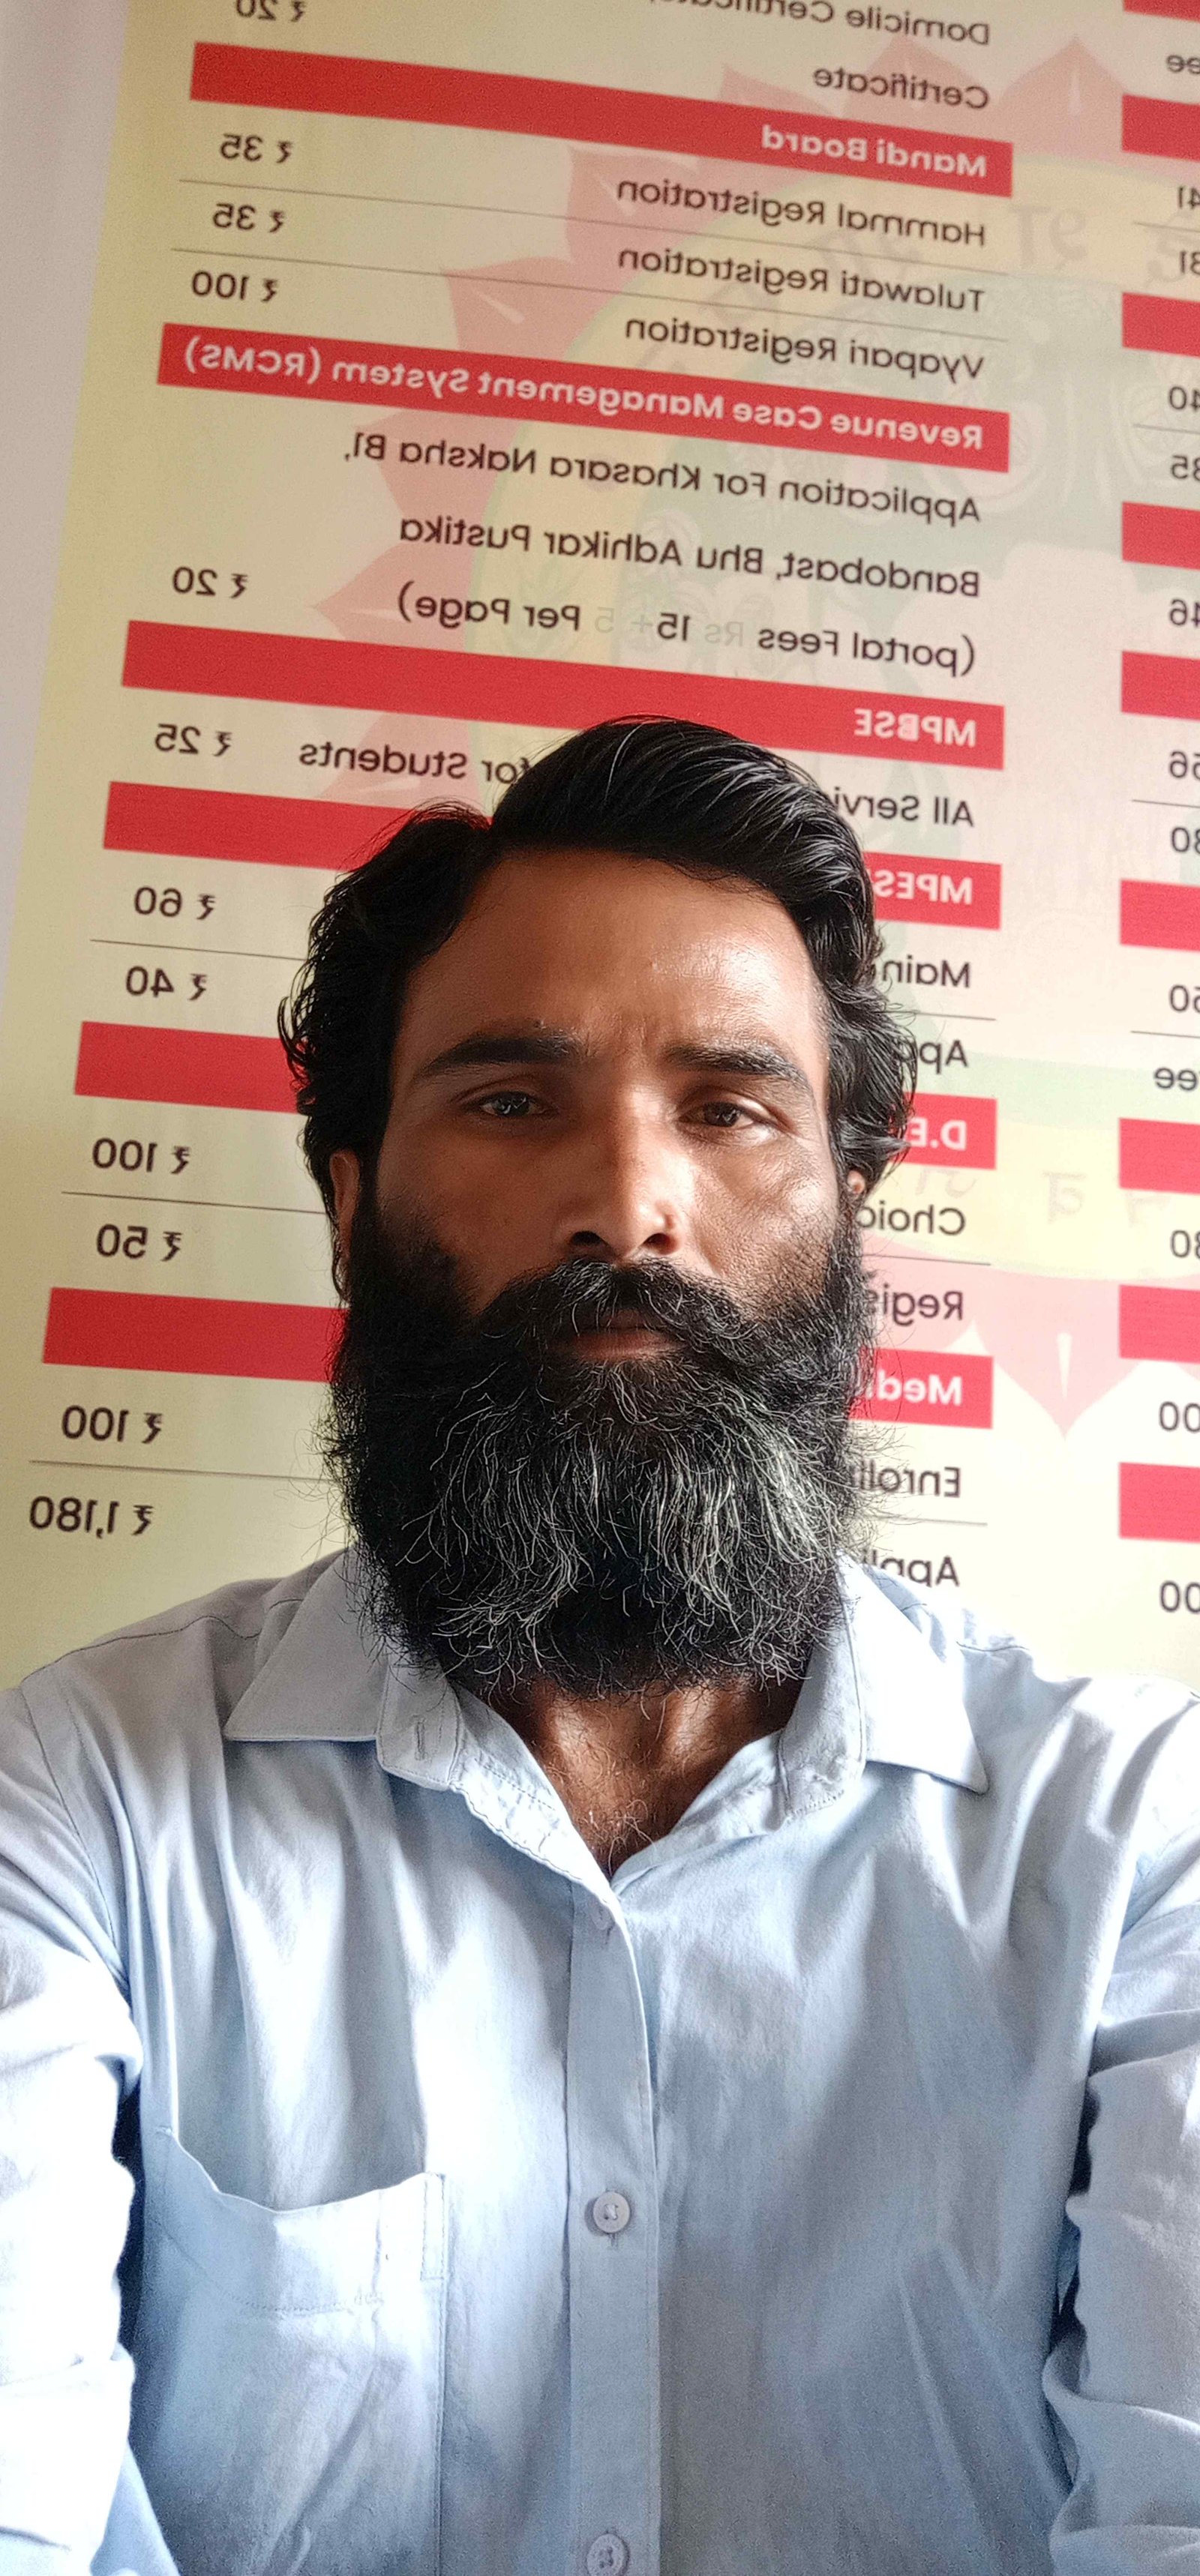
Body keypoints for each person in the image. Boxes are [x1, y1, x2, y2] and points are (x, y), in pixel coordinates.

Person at [1, 717, 1197, 2576]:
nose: (627, 1203)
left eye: (728, 1108)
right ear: (349, 1207)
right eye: (508, 1099)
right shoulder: (85, 1795)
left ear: (849, 1211)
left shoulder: (1131, 1835)